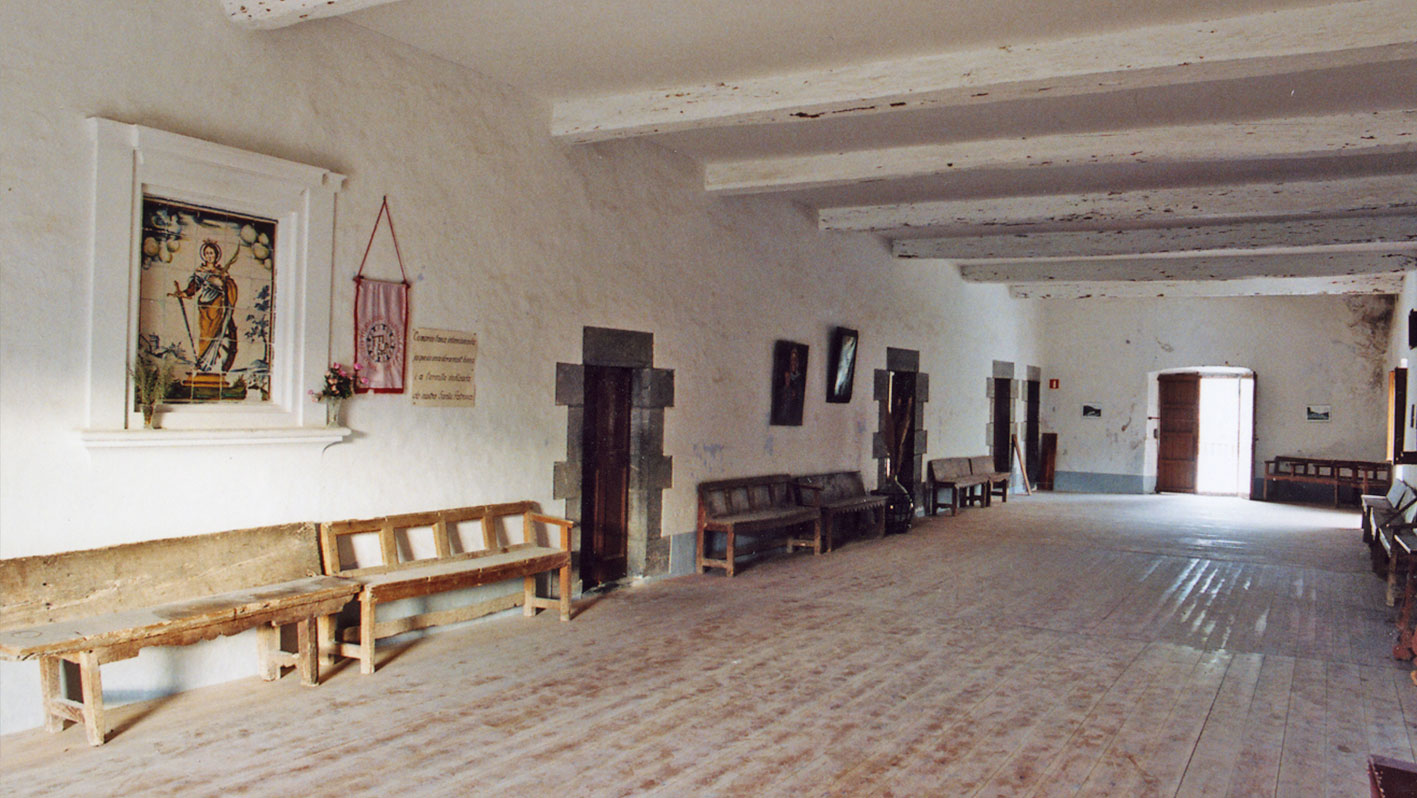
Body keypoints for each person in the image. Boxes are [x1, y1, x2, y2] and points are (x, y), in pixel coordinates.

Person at [172, 239, 239, 373]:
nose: (209, 256)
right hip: (204, 306)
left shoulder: (221, 273)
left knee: (214, 334)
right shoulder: (200, 271)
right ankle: (202, 361)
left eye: (211, 253)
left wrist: (221, 283)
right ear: (203, 255)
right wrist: (184, 293)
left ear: (216, 255)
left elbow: (230, 287)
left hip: (217, 305)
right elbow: (194, 286)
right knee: (205, 335)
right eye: (207, 253)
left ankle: (208, 364)